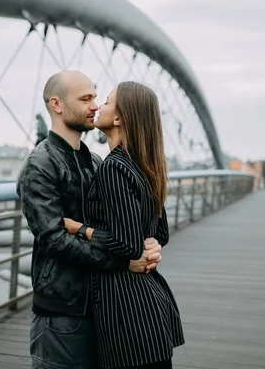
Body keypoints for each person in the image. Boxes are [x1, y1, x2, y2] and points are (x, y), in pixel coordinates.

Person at [16, 71, 163, 369]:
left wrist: (150, 244)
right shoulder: (40, 164)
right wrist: (124, 261)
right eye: (86, 99)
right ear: (56, 105)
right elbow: (53, 240)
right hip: (62, 312)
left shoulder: (96, 162)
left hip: (104, 306)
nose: (95, 105)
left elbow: (123, 226)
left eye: (97, 98)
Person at [63, 81, 185, 369]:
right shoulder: (144, 164)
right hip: (148, 304)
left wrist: (80, 229)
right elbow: (161, 233)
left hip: (128, 312)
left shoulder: (114, 167)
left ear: (118, 118)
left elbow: (126, 245)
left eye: (105, 102)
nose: (98, 107)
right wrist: (152, 243)